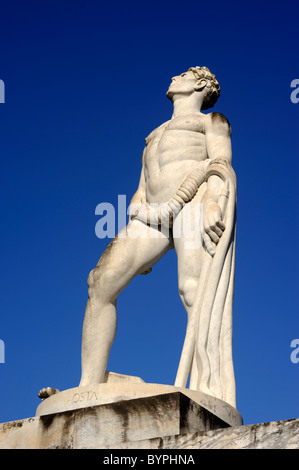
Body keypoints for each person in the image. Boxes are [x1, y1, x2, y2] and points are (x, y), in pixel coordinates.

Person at [39, 67, 237, 408]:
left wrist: (211, 202)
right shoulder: (154, 134)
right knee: (100, 281)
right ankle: (88, 385)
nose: (175, 76)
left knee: (193, 290)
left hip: (193, 200)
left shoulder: (211, 121)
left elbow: (220, 162)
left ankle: (209, 390)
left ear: (200, 85)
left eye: (185, 74)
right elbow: (142, 186)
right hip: (152, 215)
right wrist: (136, 210)